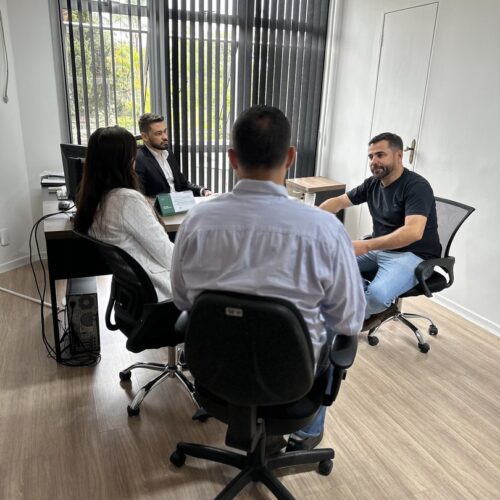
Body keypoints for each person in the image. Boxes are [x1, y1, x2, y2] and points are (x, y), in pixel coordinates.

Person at [171, 105, 365, 452]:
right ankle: (304, 435)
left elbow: (183, 301)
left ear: (232, 158)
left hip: (215, 372)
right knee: (333, 325)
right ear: (290, 157)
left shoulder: (196, 222)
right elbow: (350, 318)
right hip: (294, 378)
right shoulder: (325, 230)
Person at [320, 132, 441, 330]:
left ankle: (371, 306)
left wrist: (366, 245)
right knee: (324, 266)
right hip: (381, 250)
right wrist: (311, 217)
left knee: (376, 296)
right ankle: (365, 302)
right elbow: (338, 202)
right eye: (371, 156)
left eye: (380, 155)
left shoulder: (416, 187)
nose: (374, 161)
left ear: (398, 156)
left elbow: (413, 232)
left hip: (415, 256)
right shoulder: (372, 184)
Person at [74, 126, 177, 310]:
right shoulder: (126, 200)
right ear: (124, 160)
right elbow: (169, 257)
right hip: (161, 296)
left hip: (135, 301)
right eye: (133, 153)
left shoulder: (92, 199)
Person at [136, 113, 212, 198]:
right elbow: (140, 197)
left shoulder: (168, 153)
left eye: (165, 131)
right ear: (145, 136)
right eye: (158, 133)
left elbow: (182, 184)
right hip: (159, 209)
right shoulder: (139, 159)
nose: (165, 137)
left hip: (180, 205)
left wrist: (202, 191)